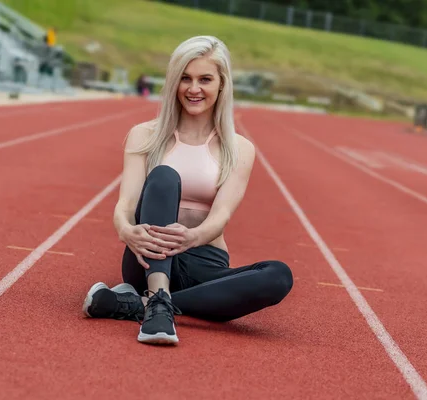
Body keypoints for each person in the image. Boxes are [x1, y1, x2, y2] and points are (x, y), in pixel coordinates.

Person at [81, 36, 293, 346]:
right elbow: (125, 206)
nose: (193, 89)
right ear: (173, 82)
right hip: (150, 255)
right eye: (185, 78)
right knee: (165, 176)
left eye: (205, 79)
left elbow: (220, 216)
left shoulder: (240, 149)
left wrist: (193, 237)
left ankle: (138, 304)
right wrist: (126, 230)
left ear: (222, 84)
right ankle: (156, 298)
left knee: (279, 276)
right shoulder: (144, 136)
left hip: (204, 260)